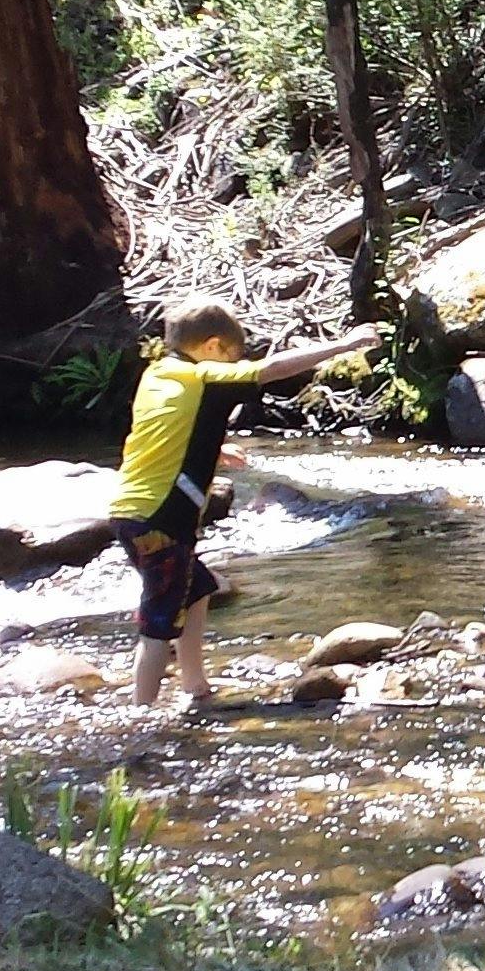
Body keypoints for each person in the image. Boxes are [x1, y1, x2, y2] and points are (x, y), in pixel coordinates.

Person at [107, 299, 381, 709]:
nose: (237, 364)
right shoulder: (203, 376)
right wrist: (343, 345)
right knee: (159, 620)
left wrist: (214, 454)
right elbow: (271, 370)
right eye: (235, 355)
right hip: (160, 516)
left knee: (198, 586)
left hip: (131, 511)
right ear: (214, 347)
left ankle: (195, 687)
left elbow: (162, 433)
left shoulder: (159, 376)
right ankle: (140, 715)